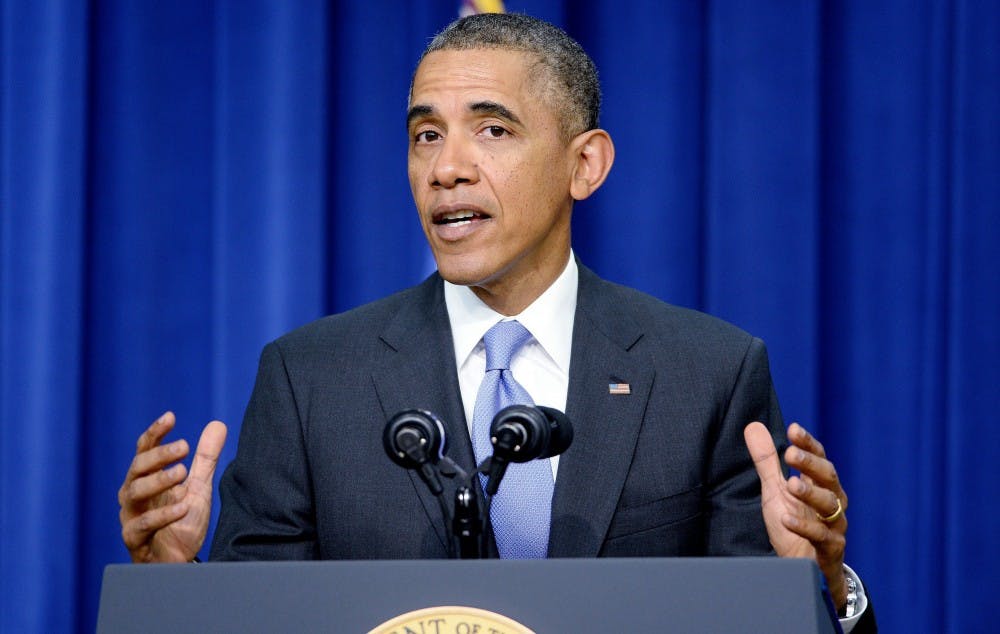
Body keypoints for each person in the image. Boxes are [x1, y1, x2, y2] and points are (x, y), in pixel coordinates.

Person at [118, 13, 873, 631]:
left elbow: (758, 620)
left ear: (586, 165)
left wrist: (823, 589)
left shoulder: (706, 372)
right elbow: (259, 624)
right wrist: (174, 590)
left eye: (493, 131)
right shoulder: (311, 378)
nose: (447, 168)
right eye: (425, 135)